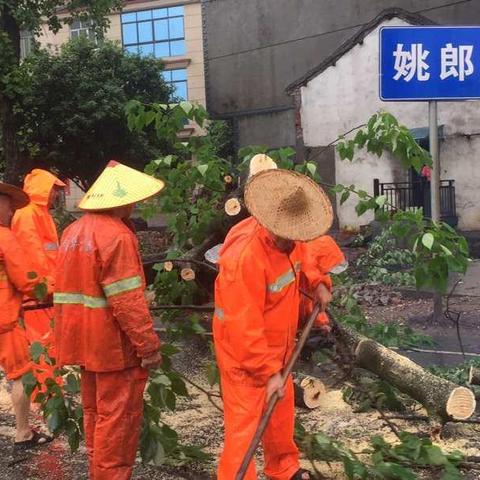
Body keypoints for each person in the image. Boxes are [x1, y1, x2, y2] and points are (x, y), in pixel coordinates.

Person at [213, 168, 334, 480]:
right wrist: (267, 373)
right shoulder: (246, 258)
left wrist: (319, 282)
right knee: (245, 430)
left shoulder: (290, 239)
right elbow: (244, 327)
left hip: (279, 346)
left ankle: (284, 469)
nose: (298, 237)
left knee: (280, 416)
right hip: (245, 355)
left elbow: (307, 258)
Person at [54, 160, 164, 480]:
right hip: (114, 350)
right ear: (122, 199)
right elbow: (128, 302)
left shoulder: (72, 232)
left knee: (96, 418)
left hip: (83, 345)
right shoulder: (118, 236)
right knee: (118, 424)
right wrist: (148, 347)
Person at [0, 182, 53, 448]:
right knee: (20, 374)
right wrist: (50, 291)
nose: (11, 211)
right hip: (4, 322)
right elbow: (24, 280)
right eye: (8, 204)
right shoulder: (4, 237)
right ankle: (23, 432)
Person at [12, 169, 66, 345]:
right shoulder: (28, 214)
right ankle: (46, 373)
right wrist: (45, 288)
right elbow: (32, 256)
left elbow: (50, 255)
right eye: (53, 189)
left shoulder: (42, 214)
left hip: (47, 291)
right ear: (41, 189)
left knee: (50, 341)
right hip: (38, 294)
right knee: (43, 342)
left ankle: (51, 373)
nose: (56, 194)